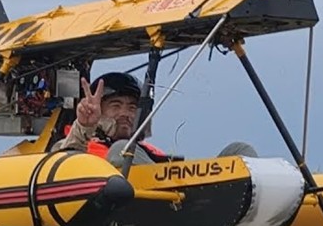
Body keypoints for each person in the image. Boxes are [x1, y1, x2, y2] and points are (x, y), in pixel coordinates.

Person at [51, 71, 258, 166]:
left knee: (240, 150)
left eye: (132, 107)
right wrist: (85, 125)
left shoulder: (147, 153)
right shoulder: (72, 145)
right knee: (122, 150)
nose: (125, 113)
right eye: (115, 105)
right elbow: (62, 164)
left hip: (172, 202)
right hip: (117, 218)